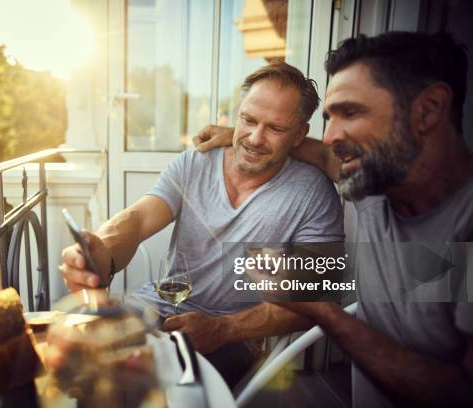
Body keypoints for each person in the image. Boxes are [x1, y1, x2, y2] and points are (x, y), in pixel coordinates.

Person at [194, 31, 473, 406]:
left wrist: (319, 308)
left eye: (351, 113)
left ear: (428, 109)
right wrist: (245, 135)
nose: (330, 137)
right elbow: (320, 153)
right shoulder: (377, 186)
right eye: (329, 117)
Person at [59, 61, 344, 388]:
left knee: (146, 387)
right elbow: (137, 220)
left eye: (275, 129)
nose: (254, 138)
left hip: (232, 336)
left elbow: (319, 299)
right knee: (74, 353)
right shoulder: (195, 162)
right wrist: (101, 249)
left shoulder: (314, 195)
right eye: (248, 120)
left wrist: (223, 329)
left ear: (299, 136)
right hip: (157, 308)